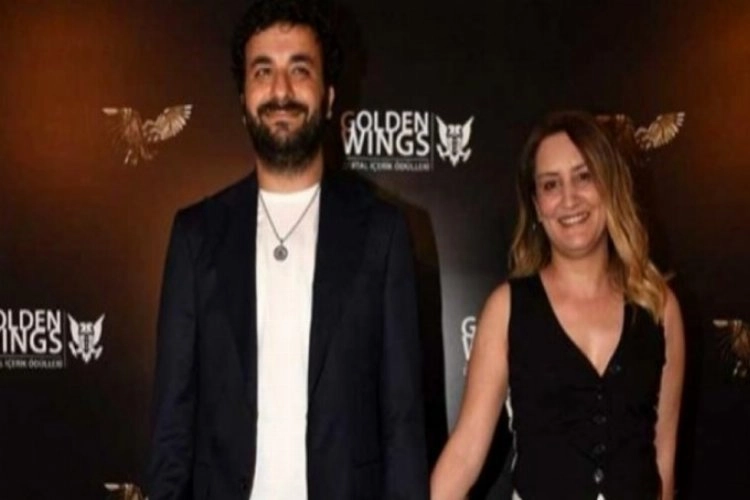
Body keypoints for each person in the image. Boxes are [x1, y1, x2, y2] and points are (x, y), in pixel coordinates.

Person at [147, 1, 428, 498]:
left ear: (329, 96)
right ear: (243, 99)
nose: (280, 91)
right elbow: (172, 421)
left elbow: (403, 421)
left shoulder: (382, 233)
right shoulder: (196, 235)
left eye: (300, 69)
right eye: (263, 71)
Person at [431, 111, 684, 500]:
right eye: (551, 184)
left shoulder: (659, 306)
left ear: (610, 185)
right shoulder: (508, 309)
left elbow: (663, 462)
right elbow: (464, 455)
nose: (569, 198)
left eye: (584, 177)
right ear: (536, 204)